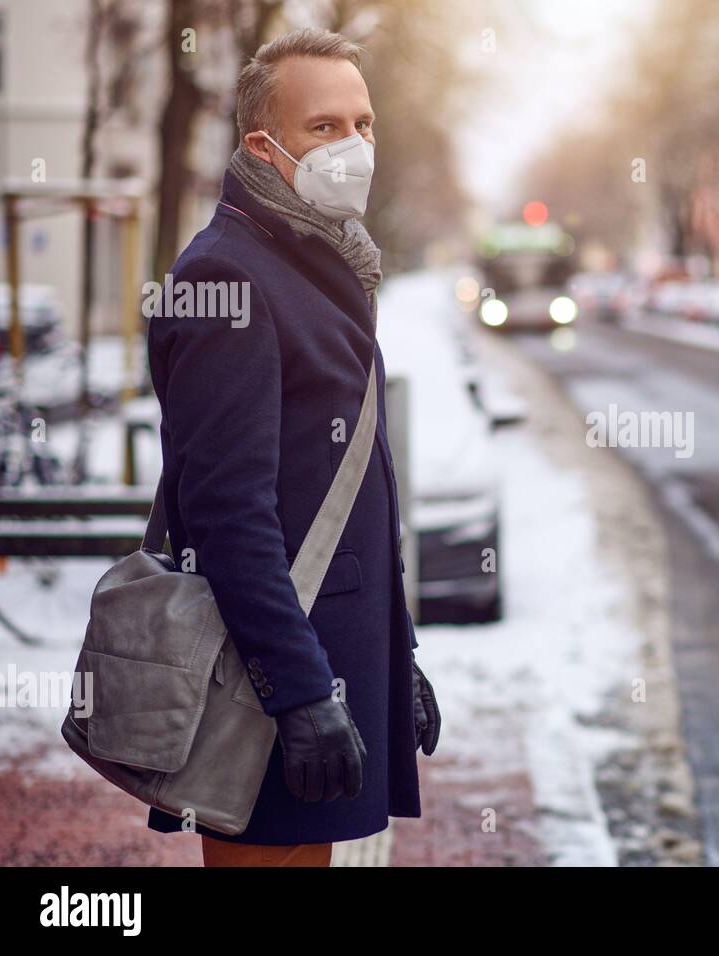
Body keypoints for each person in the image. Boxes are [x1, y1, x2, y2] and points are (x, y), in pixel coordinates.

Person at [145, 28, 440, 867]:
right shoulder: (227, 278)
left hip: (325, 657)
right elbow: (229, 516)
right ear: (261, 146)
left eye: (363, 123)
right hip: (267, 679)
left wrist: (398, 651)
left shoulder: (315, 264)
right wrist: (301, 690)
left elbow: (340, 487)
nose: (351, 146)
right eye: (323, 127)